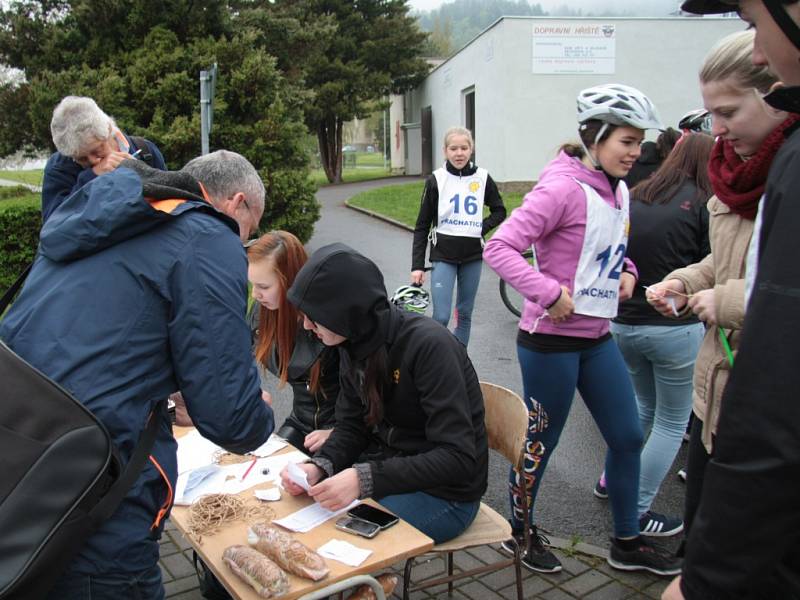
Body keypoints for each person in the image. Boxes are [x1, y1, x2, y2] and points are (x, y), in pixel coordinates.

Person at [0, 150, 274, 600]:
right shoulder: (206, 236)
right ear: (236, 203)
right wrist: (257, 415)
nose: (243, 242)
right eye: (251, 228)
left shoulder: (106, 214)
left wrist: (166, 395)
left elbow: (99, 343)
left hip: (26, 462)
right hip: (97, 500)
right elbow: (232, 418)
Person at [484, 83, 681, 576]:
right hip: (549, 343)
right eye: (627, 142)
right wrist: (548, 293)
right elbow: (499, 247)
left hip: (596, 339)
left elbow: (610, 247)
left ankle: (626, 540)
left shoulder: (617, 190)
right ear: (595, 136)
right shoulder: (561, 189)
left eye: (640, 143)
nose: (636, 153)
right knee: (539, 445)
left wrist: (631, 270)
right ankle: (521, 534)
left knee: (628, 435)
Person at [661, 1, 800, 599]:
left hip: (765, 410)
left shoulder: (788, 170)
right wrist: (685, 282)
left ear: (775, 94)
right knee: (704, 525)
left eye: (728, 111)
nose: (716, 130)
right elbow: (727, 259)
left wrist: (730, 300)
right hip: (716, 401)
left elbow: (776, 289)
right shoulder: (728, 178)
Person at [281, 243, 488, 545]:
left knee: (334, 542)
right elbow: (352, 426)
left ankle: (366, 589)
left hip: (447, 495)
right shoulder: (351, 342)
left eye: (314, 316)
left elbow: (457, 457)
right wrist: (319, 466)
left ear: (346, 312)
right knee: (309, 527)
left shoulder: (429, 347)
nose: (307, 325)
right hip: (395, 474)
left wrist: (363, 478)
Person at [594, 132, 714, 537]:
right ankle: (637, 509)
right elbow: (708, 267)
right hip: (672, 327)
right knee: (671, 421)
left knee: (642, 409)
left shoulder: (636, 193)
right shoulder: (702, 204)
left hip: (623, 322)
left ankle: (610, 480)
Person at [410, 126, 506, 346]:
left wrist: (481, 228)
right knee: (441, 317)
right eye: (454, 148)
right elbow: (422, 226)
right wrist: (417, 265)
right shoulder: (436, 179)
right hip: (443, 255)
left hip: (472, 256)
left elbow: (499, 210)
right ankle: (435, 359)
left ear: (471, 149)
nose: (459, 153)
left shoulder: (482, 177)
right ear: (445, 151)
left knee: (464, 314)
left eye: (464, 147)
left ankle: (459, 362)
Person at [247, 231, 340, 451]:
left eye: (264, 287)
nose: (255, 295)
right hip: (301, 421)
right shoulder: (264, 313)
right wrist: (250, 391)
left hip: (344, 429)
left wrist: (340, 431)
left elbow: (370, 393)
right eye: (253, 285)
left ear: (289, 280)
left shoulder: (329, 323)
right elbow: (238, 354)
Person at [42, 95, 167, 223]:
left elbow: (171, 202)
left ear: (108, 129)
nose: (93, 161)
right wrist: (91, 177)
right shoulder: (58, 167)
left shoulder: (146, 150)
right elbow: (53, 226)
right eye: (82, 158)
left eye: (96, 150)